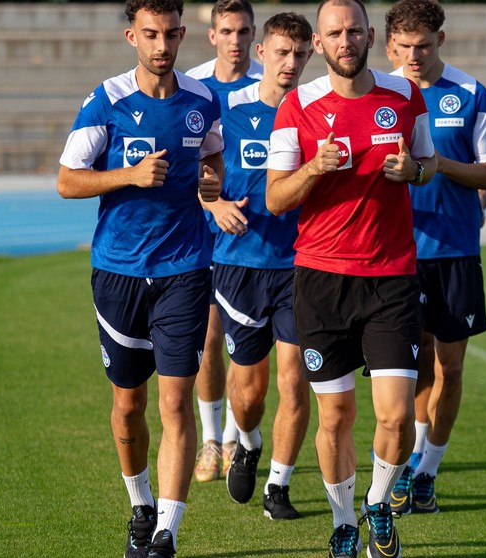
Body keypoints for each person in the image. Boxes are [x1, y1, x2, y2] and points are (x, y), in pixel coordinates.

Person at [265, 0, 437, 555]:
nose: (345, 41)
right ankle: (343, 522)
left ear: (370, 36)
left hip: (391, 278)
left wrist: (413, 171)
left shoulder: (406, 96)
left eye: (354, 31)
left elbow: (428, 164)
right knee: (335, 416)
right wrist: (315, 166)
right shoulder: (297, 105)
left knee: (394, 418)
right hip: (321, 280)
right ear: (319, 43)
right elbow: (273, 198)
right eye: (334, 33)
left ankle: (378, 505)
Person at [56, 0, 225, 556]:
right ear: (132, 35)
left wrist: (210, 185)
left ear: (182, 36)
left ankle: (165, 534)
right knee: (128, 405)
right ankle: (140, 503)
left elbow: (213, 160)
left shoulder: (202, 100)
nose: (162, 46)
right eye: (151, 35)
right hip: (119, 272)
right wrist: (128, 175)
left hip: (185, 271)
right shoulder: (105, 101)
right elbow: (66, 181)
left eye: (172, 35)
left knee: (176, 404)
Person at [384, 0, 486, 516]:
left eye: (424, 45)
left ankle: (428, 471)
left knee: (449, 368)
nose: (415, 55)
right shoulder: (381, 93)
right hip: (393, 254)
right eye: (405, 46)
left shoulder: (471, 93)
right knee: (409, 370)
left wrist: (435, 166)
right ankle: (407, 463)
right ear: (390, 44)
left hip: (454, 251)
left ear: (441, 41)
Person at [203, 11, 315, 520]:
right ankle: (245, 442)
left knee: (294, 380)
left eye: (299, 54)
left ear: (310, 54)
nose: (290, 63)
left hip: (300, 264)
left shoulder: (316, 111)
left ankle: (279, 486)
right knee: (248, 393)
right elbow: (201, 174)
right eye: (281, 52)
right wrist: (213, 205)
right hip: (239, 265)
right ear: (262, 52)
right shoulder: (227, 107)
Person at [185, 0, 264, 483]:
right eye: (226, 31)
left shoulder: (268, 85)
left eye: (243, 31)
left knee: (243, 348)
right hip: (200, 235)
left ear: (253, 36)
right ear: (212, 35)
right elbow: (181, 161)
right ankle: (211, 440)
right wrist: (212, 204)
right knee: (209, 340)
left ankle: (237, 437)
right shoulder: (193, 87)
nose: (235, 40)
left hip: (255, 240)